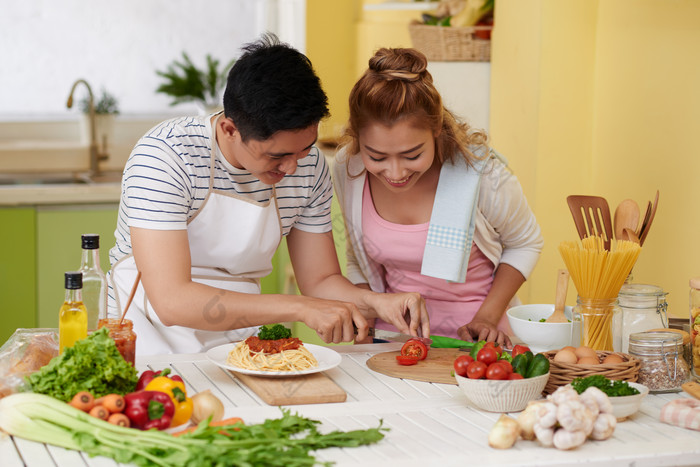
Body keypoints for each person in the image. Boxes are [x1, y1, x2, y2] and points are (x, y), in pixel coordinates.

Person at [106, 35, 429, 355]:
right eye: (276, 156)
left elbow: (320, 279)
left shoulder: (308, 165)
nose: (291, 167)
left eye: (304, 148)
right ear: (229, 130)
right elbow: (172, 302)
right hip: (144, 335)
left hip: (240, 338)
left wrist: (376, 302)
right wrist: (301, 308)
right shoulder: (166, 156)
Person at [333, 47, 543, 347]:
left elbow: (525, 243)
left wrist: (487, 318)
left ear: (435, 129)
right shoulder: (348, 168)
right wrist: (366, 316)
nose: (395, 173)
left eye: (412, 155)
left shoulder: (480, 173)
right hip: (392, 339)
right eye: (377, 156)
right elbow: (357, 257)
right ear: (357, 139)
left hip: (478, 341)